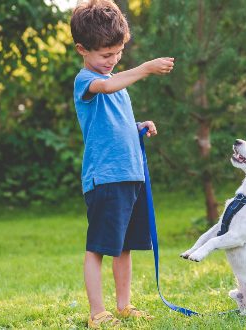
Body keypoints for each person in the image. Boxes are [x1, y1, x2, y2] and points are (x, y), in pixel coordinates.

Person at [70, 0, 175, 327]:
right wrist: (144, 68)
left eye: (118, 53)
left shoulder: (117, 83)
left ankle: (124, 305)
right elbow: (106, 85)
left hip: (130, 175)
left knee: (125, 247)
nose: (113, 60)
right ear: (82, 50)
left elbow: (112, 125)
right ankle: (97, 312)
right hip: (106, 179)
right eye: (105, 54)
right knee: (98, 248)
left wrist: (137, 127)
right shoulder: (86, 80)